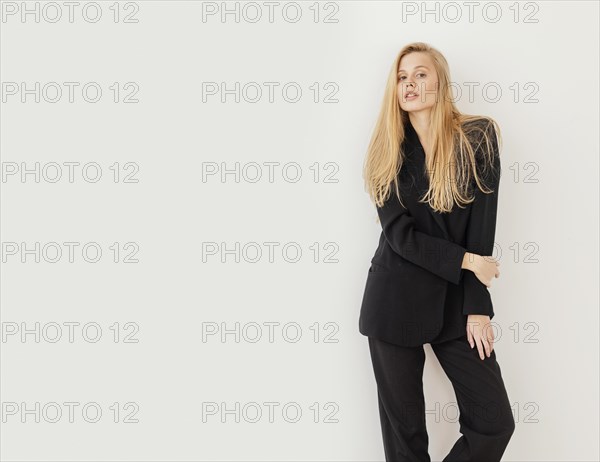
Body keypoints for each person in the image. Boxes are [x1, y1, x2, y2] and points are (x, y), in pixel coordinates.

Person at [358, 42, 516, 461]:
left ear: (441, 80)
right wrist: (465, 261)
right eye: (401, 78)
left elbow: (482, 230)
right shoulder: (385, 154)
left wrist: (478, 308)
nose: (409, 84)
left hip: (454, 303)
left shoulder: (478, 137)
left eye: (420, 74)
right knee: (405, 441)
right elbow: (401, 237)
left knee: (494, 422)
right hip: (393, 302)